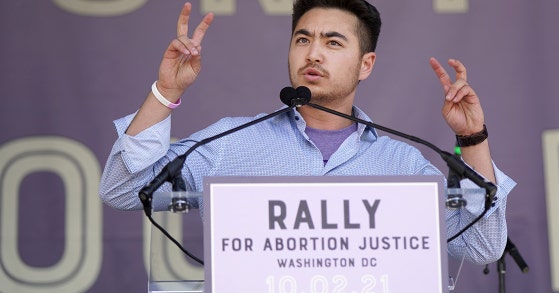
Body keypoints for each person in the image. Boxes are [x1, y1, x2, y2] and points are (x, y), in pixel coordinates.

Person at [99, 0, 515, 265]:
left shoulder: (401, 163)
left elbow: (482, 246)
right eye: (303, 39)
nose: (312, 53)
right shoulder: (228, 143)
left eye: (333, 43)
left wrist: (472, 139)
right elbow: (121, 188)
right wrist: (166, 92)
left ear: (365, 64)